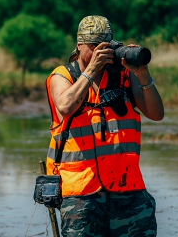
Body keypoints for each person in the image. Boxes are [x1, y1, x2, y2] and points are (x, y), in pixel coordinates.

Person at [46, 15, 164, 237]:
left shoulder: (126, 77)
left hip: (128, 188)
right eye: (93, 46)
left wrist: (142, 73)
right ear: (79, 46)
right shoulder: (63, 76)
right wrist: (91, 70)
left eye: (105, 46)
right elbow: (65, 106)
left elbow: (157, 114)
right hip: (80, 194)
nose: (99, 52)